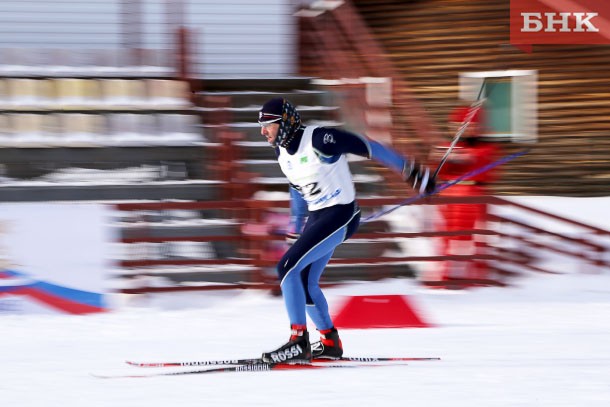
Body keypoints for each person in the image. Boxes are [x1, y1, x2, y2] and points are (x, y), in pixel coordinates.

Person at [257, 98, 436, 363]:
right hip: (318, 218)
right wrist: (295, 227)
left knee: (286, 268)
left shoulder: (320, 138)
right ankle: (330, 342)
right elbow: (296, 187)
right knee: (303, 280)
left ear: (284, 122)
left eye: (268, 125)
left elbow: (367, 146)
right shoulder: (281, 151)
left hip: (341, 214)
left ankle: (298, 341)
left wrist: (412, 172)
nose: (263, 132)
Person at [432, 103, 499, 285]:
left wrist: (462, 157)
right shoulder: (449, 146)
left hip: (472, 194)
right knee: (447, 236)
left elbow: (482, 167)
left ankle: (474, 274)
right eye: (458, 126)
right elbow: (440, 170)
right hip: (449, 195)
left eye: (468, 126)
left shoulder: (486, 148)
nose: (462, 130)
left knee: (469, 236)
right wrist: (446, 158)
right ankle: (445, 273)